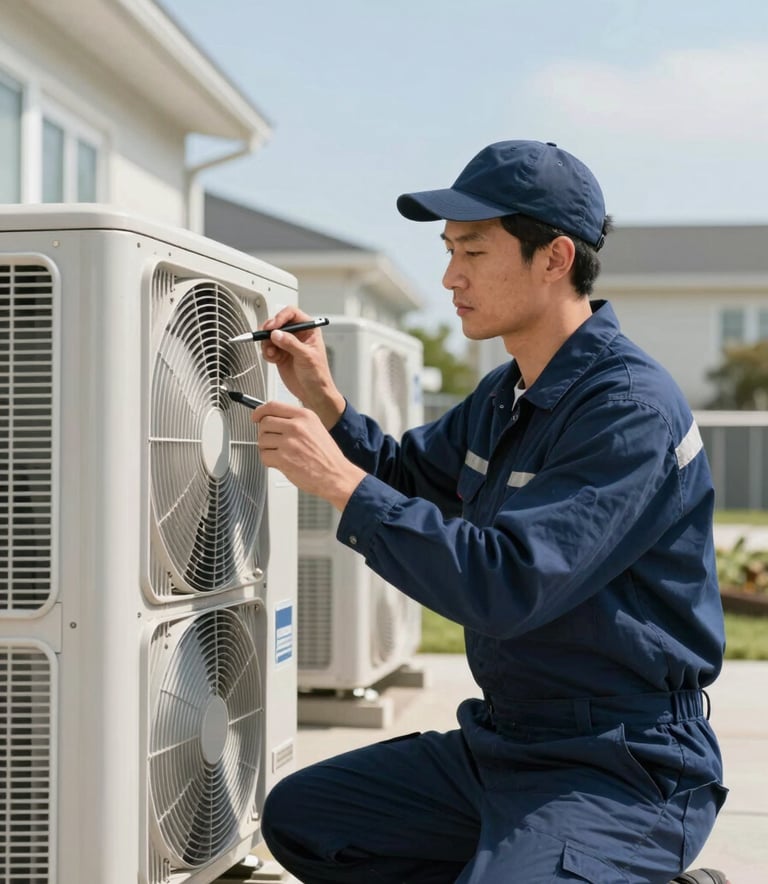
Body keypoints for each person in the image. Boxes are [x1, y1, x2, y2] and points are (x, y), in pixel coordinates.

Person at [252, 140, 729, 883]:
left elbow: (507, 586)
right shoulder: (509, 393)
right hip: (504, 744)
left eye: (471, 250)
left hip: (622, 763)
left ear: (554, 257)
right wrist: (325, 399)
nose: (449, 277)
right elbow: (410, 477)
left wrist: (340, 486)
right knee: (306, 822)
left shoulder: (627, 411)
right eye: (448, 251)